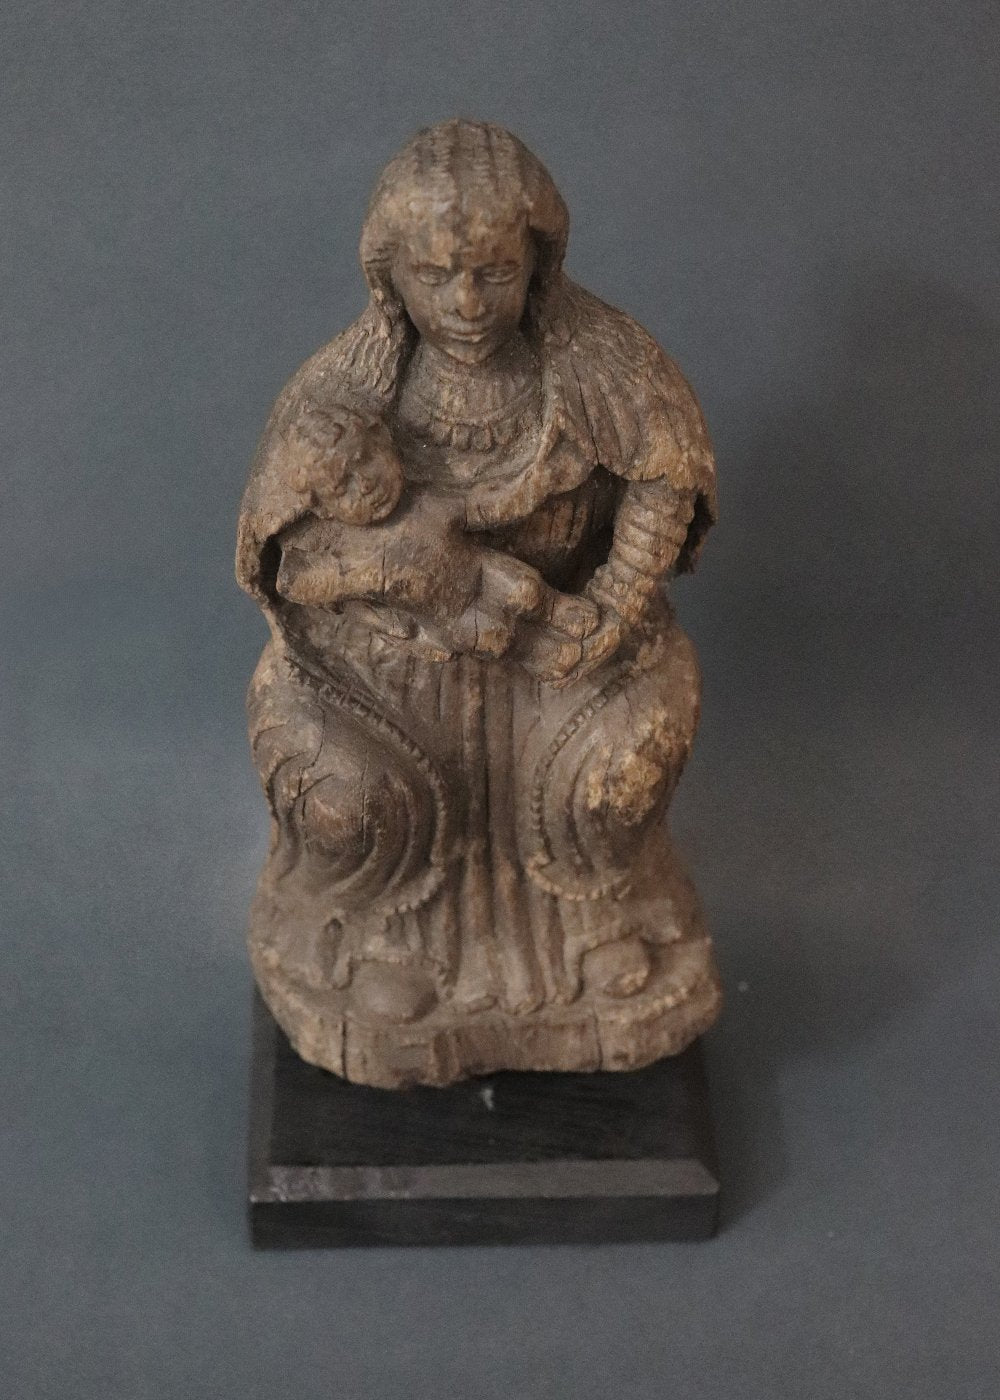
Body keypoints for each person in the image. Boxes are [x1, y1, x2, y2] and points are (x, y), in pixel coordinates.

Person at [237, 119, 722, 1087]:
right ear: (390, 276)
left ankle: (593, 923)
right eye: (435, 274)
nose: (465, 303)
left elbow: (666, 476)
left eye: (494, 274)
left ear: (537, 264)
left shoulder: (601, 363)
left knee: (613, 775)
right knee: (352, 801)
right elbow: (282, 554)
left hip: (566, 662)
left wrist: (619, 600)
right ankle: (383, 938)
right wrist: (383, 580)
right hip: (381, 675)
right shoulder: (344, 393)